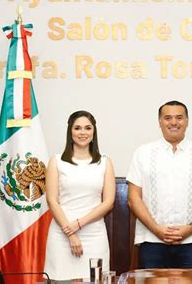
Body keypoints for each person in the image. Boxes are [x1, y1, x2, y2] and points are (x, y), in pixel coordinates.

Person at [127, 100, 192, 269]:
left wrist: (190, 228)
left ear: (187, 121)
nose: (173, 122)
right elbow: (133, 198)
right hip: (151, 240)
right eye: (168, 118)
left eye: (179, 118)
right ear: (160, 122)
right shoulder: (142, 153)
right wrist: (156, 229)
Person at [44, 110, 116, 282]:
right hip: (62, 233)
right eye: (77, 128)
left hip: (94, 234)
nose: (82, 133)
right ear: (70, 132)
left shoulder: (105, 162)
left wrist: (79, 224)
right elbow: (52, 200)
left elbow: (108, 202)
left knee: (95, 280)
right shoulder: (56, 160)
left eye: (87, 128)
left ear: (94, 132)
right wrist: (70, 233)